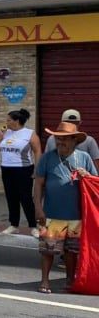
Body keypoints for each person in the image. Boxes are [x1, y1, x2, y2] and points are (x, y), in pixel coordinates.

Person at [33, 121, 97, 294]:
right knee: (48, 250)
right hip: (52, 214)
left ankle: (70, 280)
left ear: (74, 140)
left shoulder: (84, 157)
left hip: (76, 215)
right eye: (58, 138)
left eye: (65, 139)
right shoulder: (47, 157)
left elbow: (94, 183)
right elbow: (38, 184)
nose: (60, 142)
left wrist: (87, 175)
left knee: (71, 251)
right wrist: (38, 207)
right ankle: (45, 281)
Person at [0, 109, 42, 236]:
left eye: (9, 120)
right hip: (6, 168)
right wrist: (0, 135)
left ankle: (33, 226)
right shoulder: (6, 133)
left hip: (23, 169)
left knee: (25, 198)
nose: (6, 122)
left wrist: (37, 169)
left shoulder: (29, 133)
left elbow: (37, 151)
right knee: (11, 197)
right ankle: (14, 225)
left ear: (17, 121)